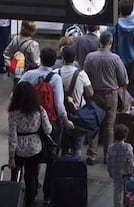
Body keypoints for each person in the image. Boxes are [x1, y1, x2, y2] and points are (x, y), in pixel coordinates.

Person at [19, 47, 74, 202]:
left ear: (40, 58)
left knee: (33, 154)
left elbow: (15, 94)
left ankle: (33, 188)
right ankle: (48, 194)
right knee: (52, 157)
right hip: (51, 122)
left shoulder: (29, 75)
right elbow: (58, 104)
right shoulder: (55, 78)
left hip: (31, 119)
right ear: (55, 60)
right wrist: (65, 120)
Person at [84, 31, 129, 165]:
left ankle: (91, 155)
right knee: (109, 126)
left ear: (100, 41)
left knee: (93, 124)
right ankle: (107, 157)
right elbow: (124, 79)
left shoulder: (90, 57)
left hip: (93, 94)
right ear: (110, 42)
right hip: (110, 95)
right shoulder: (115, 58)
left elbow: (85, 76)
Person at [8, 81, 52, 207]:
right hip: (35, 147)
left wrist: (11, 157)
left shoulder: (13, 113)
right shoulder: (39, 110)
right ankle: (30, 202)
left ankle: (13, 199)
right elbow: (48, 130)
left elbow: (12, 136)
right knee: (30, 177)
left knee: (15, 176)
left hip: (18, 149)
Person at [56, 46, 93, 156]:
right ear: (75, 58)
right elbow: (90, 93)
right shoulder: (81, 74)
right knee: (77, 145)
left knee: (62, 142)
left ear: (62, 58)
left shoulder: (55, 73)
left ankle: (61, 165)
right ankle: (75, 167)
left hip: (60, 113)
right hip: (78, 113)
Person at [107, 124, 134, 207]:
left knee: (117, 192)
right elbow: (131, 161)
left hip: (116, 174)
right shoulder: (128, 147)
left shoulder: (110, 147)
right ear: (125, 136)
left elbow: (109, 161)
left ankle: (117, 205)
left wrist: (110, 172)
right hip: (127, 174)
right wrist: (133, 172)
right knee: (127, 192)